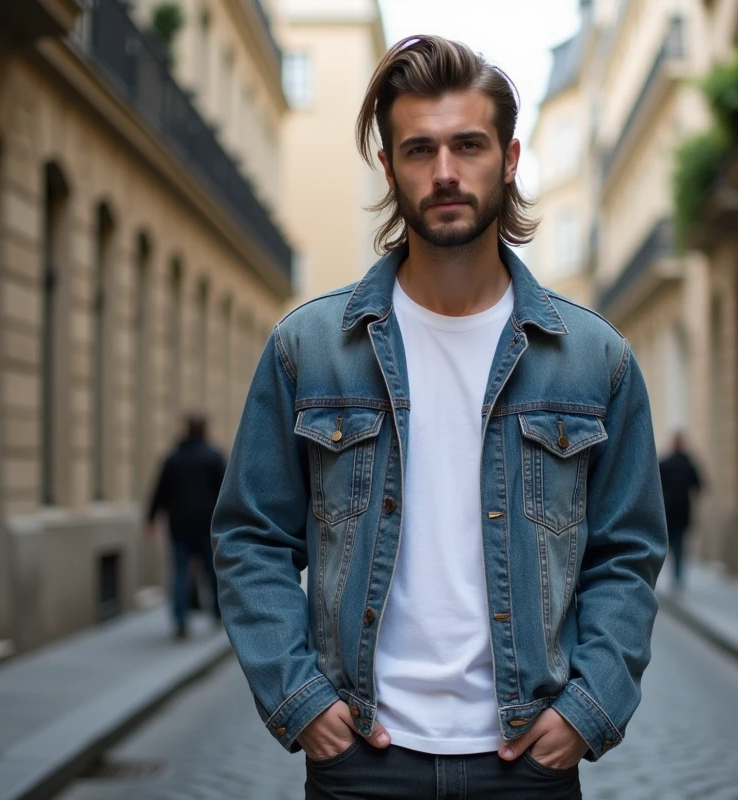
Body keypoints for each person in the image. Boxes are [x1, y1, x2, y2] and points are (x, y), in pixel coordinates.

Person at [212, 35, 667, 799]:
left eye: (469, 145)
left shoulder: (596, 360)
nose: (446, 172)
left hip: (526, 762)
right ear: (389, 169)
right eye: (419, 149)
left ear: (511, 158)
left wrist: (589, 709)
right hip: (361, 760)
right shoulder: (311, 349)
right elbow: (251, 536)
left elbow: (626, 554)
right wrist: (302, 701)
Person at [145, 412, 227, 639]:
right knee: (211, 571)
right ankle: (219, 614)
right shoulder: (214, 457)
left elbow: (159, 490)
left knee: (180, 572)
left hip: (178, 524)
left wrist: (150, 520)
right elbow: (226, 492)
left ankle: (180, 621)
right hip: (207, 525)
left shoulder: (173, 458)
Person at [658, 432, 705, 591]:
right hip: (683, 510)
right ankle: (677, 576)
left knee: (672, 543)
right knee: (679, 544)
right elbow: (699, 486)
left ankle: (674, 575)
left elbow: (654, 487)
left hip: (668, 511)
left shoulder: (665, 463)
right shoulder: (688, 464)